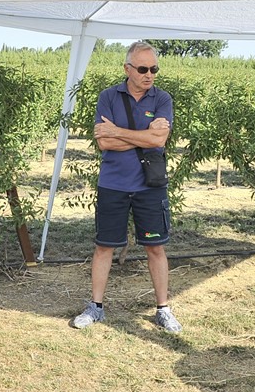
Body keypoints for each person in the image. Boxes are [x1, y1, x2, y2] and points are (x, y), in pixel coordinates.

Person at [71, 41, 180, 333]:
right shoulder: (108, 97)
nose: (149, 75)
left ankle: (163, 309)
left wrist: (118, 131)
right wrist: (144, 135)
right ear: (127, 69)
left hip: (149, 186)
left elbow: (159, 140)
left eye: (154, 69)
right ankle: (95, 307)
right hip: (113, 184)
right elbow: (104, 142)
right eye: (143, 69)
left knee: (155, 247)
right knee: (104, 246)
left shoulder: (162, 99)